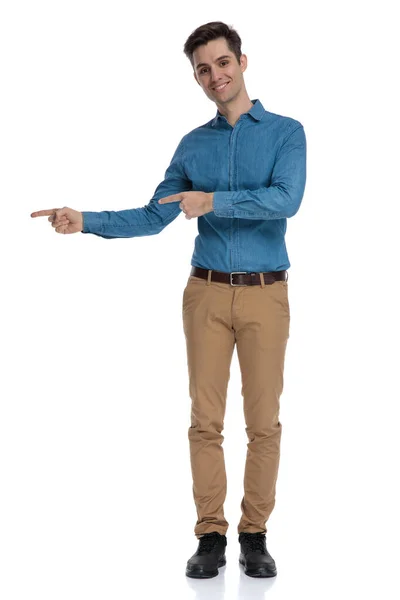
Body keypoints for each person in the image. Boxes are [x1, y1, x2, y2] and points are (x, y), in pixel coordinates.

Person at [31, 21, 307, 579]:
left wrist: (213, 200)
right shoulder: (192, 145)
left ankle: (254, 534)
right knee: (205, 421)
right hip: (204, 294)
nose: (215, 76)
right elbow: (155, 214)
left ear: (243, 62)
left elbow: (286, 199)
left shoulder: (286, 133)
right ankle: (210, 534)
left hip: (264, 295)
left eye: (222, 63)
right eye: (203, 69)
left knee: (264, 423)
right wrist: (85, 220)